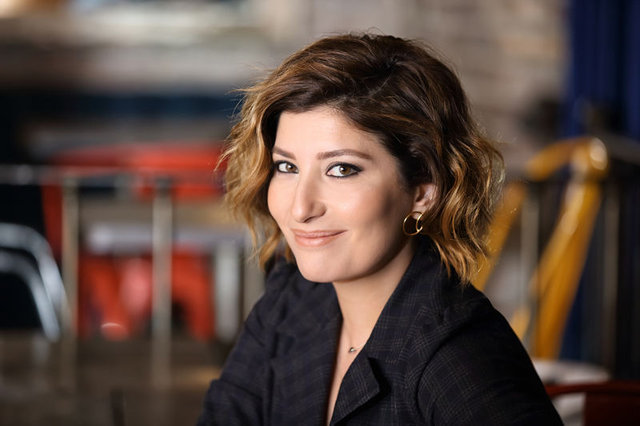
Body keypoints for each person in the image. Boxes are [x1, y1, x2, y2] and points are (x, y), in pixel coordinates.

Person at [197, 33, 561, 425]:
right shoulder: (292, 301)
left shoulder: (460, 355)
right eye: (287, 167)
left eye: (341, 169)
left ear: (423, 192)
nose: (300, 208)